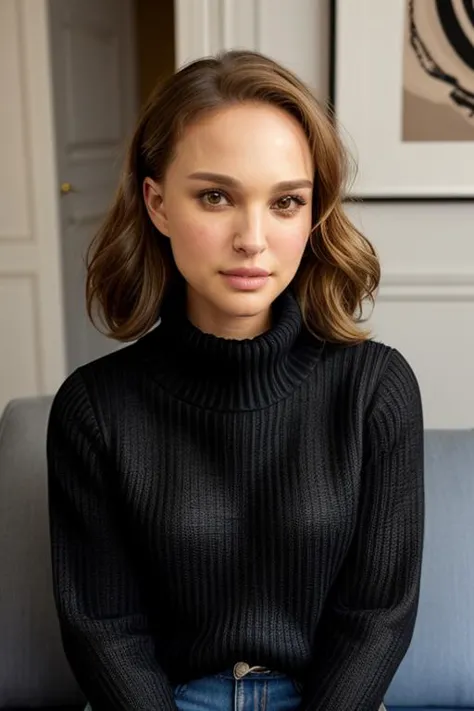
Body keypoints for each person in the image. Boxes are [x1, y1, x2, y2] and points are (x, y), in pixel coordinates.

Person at [46, 50, 424, 711]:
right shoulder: (95, 407)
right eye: (216, 196)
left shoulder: (375, 388)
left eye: (285, 202)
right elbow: (104, 628)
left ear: (313, 214)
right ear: (158, 204)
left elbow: (375, 615)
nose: (253, 238)